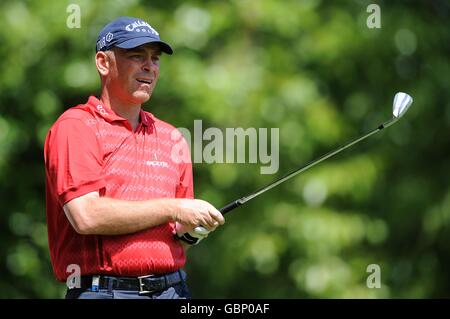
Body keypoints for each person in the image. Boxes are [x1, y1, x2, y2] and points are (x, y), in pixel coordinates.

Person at [44, 16, 225, 299]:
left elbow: (177, 234)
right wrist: (174, 208)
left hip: (173, 290)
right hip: (103, 291)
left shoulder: (171, 137)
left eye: (155, 58)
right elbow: (86, 216)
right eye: (137, 56)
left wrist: (192, 230)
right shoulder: (76, 126)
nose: (149, 66)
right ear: (103, 62)